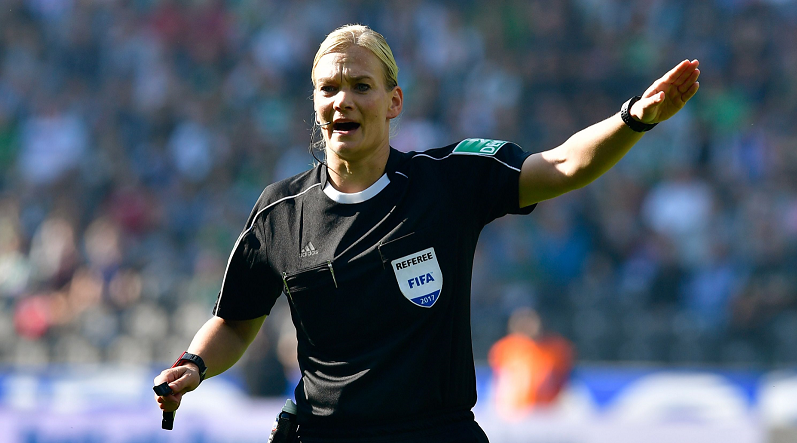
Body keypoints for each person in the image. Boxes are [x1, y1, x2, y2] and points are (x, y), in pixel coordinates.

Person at [153, 24, 699, 443]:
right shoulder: (280, 211)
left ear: (394, 102)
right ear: (316, 105)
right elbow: (234, 321)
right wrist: (194, 367)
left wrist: (635, 119)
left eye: (361, 86)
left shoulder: (449, 180)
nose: (343, 100)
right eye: (330, 88)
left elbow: (561, 166)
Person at [488, 307, 573, 420]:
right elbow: (501, 381)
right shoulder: (504, 348)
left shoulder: (556, 349)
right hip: (514, 413)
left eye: (531, 320)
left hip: (546, 413)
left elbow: (563, 381)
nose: (527, 325)